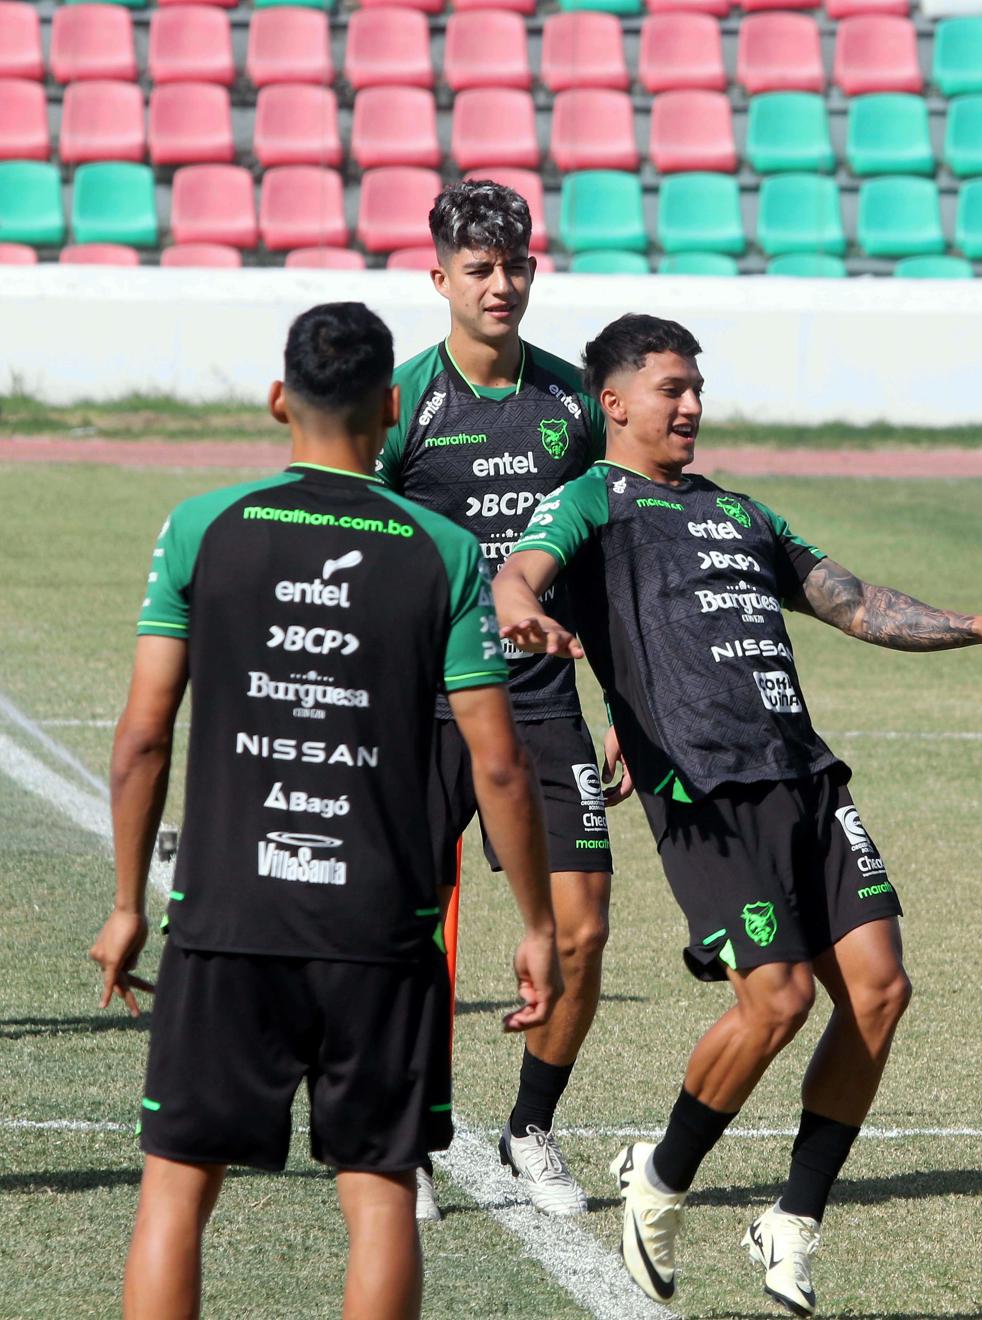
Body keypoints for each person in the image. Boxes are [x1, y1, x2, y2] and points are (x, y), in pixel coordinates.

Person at [491, 314, 982, 1318]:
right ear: (615, 404)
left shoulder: (742, 514)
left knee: (880, 992)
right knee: (779, 998)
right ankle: (661, 1177)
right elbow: (519, 570)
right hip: (707, 794)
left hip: (807, 779)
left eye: (699, 387)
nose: (692, 405)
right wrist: (517, 606)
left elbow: (851, 601)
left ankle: (792, 1221)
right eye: (671, 388)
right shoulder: (593, 500)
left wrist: (977, 627)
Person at [89, 302, 562, 1320]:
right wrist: (535, 924)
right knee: (380, 1189)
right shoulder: (441, 550)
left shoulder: (202, 527)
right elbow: (501, 766)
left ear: (276, 401)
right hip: (379, 931)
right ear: (391, 412)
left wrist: (128, 900)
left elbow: (140, 736)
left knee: (176, 1187)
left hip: (226, 920)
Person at [376, 180, 613, 1221]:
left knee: (582, 929)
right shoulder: (403, 404)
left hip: (544, 703)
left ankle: (530, 1130)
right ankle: (410, 1140)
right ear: (439, 279)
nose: (501, 284)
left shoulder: (573, 405)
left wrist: (627, 703)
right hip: (426, 709)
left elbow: (606, 560)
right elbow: (358, 549)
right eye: (479, 268)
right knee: (405, 931)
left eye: (514, 265)